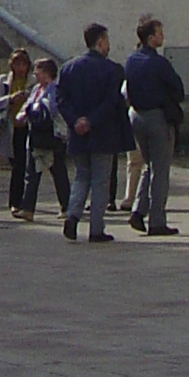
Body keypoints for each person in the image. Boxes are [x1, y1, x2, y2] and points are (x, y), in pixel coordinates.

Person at [55, 22, 130, 243]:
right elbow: (111, 102)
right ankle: (96, 228)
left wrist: (75, 120)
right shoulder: (112, 70)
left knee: (81, 176)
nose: (109, 45)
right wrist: (92, 120)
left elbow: (60, 99)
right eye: (107, 41)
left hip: (77, 133)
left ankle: (72, 215)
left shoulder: (68, 68)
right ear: (100, 42)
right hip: (103, 133)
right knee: (100, 182)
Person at [123, 15, 185, 237]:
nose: (163, 36)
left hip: (136, 115)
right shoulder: (158, 63)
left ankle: (138, 211)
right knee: (160, 170)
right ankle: (157, 220)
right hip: (157, 117)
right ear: (151, 38)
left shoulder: (131, 60)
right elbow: (178, 89)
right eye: (159, 33)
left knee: (149, 165)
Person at [20, 57, 71, 219]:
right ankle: (28, 209)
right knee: (32, 173)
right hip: (35, 136)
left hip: (52, 136)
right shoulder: (36, 89)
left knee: (58, 172)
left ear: (47, 72)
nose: (35, 73)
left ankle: (67, 206)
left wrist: (42, 107)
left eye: (38, 70)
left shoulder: (55, 89)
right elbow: (27, 105)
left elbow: (55, 110)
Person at [0, 49, 35, 219]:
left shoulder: (32, 81)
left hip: (26, 126)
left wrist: (27, 97)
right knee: (15, 163)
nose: (21, 68)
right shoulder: (4, 80)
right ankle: (16, 200)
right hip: (10, 126)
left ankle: (20, 201)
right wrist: (10, 99)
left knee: (23, 165)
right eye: (17, 64)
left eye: (24, 64)